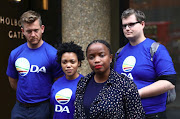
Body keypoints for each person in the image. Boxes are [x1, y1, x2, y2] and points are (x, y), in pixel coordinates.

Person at [114, 8, 177, 119]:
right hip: (125, 114)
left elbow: (169, 82)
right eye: (124, 26)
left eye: (131, 24)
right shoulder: (120, 53)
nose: (127, 28)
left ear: (142, 24)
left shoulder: (156, 49)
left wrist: (137, 93)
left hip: (151, 114)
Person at [6, 10, 64, 119]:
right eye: (29, 31)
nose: (33, 34)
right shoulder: (15, 54)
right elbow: (13, 81)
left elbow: (58, 82)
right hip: (20, 108)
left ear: (42, 29)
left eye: (36, 30)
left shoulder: (53, 54)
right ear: (22, 31)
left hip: (43, 107)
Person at [74, 40, 145, 119]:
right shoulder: (83, 83)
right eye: (91, 57)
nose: (96, 60)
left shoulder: (126, 84)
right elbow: (77, 114)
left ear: (110, 58)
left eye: (101, 55)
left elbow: (136, 116)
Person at [50, 41, 85, 119]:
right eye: (64, 62)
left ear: (79, 63)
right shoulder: (56, 83)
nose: (68, 65)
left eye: (72, 62)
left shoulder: (85, 83)